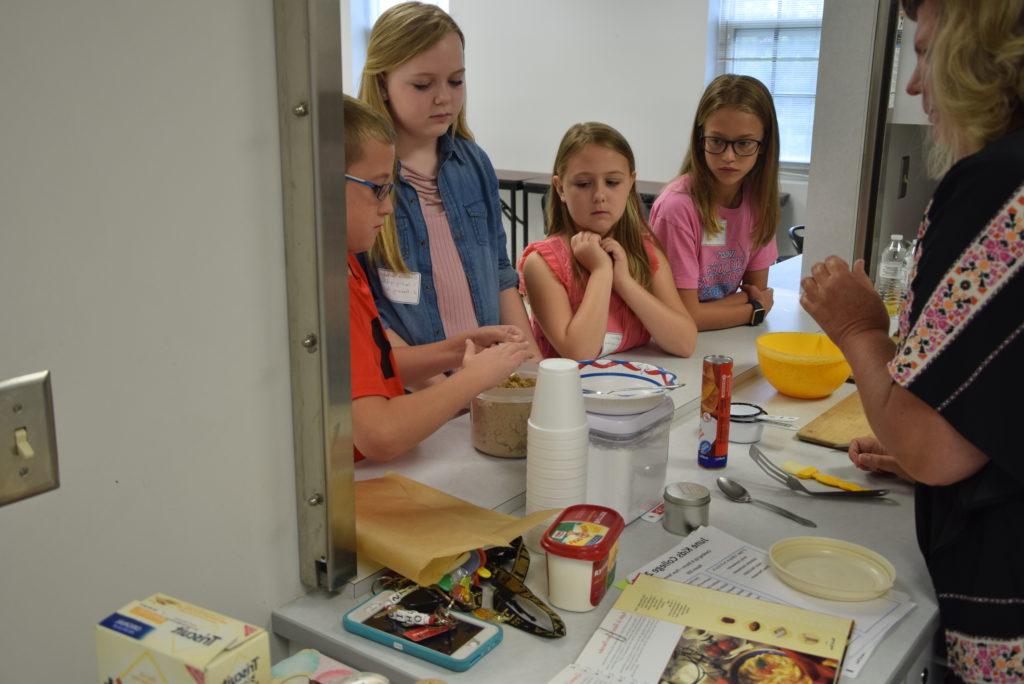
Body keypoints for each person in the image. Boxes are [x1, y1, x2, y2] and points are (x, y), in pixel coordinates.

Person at [801, 1, 1024, 679]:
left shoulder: (998, 184)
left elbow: (931, 448)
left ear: (978, 53)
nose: (914, 84)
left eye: (924, 52)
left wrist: (858, 328)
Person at [343, 95, 531, 462]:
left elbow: (376, 368)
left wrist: (457, 348)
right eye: (378, 187)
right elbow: (380, 435)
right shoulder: (333, 289)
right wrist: (471, 380)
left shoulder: (348, 266)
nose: (388, 205)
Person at [356, 1, 541, 366]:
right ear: (383, 82)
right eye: (423, 85)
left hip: (486, 383)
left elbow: (502, 277)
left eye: (456, 80)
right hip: (417, 391)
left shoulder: (473, 163)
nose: (444, 97)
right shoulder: (361, 179)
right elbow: (368, 311)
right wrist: (440, 390)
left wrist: (531, 365)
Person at [518, 122, 697, 360]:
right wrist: (602, 272)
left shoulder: (643, 250)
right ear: (560, 188)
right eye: (583, 184)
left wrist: (624, 281)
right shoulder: (541, 264)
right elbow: (579, 353)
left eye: (612, 182)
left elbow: (685, 343)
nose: (599, 196)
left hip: (634, 388)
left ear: (631, 183)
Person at [649, 74, 781, 331]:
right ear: (701, 139)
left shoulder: (759, 202)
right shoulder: (677, 208)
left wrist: (749, 301)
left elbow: (757, 289)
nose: (729, 156)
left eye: (744, 143)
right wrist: (752, 309)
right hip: (672, 347)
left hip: (726, 337)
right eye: (717, 141)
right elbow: (685, 317)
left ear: (763, 144)